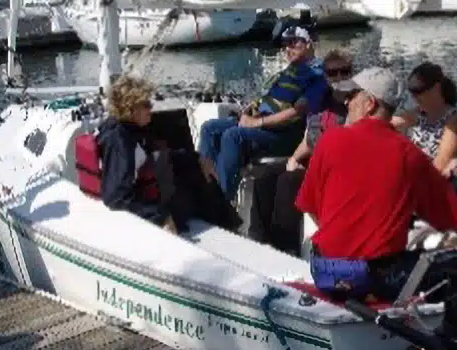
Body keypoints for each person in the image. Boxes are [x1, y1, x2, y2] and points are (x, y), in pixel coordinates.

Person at [296, 67, 457, 302]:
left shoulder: (328, 140)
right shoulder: (409, 155)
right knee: (455, 264)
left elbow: (309, 205)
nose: (346, 102)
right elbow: (453, 217)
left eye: (351, 96)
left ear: (369, 103)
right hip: (378, 278)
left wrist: (345, 245)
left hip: (326, 272)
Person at [198, 26, 328, 202]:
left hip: (287, 134)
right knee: (209, 128)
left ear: (309, 44)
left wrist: (257, 123)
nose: (287, 48)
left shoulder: (317, 74)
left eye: (293, 43)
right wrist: (248, 112)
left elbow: (297, 112)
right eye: (285, 45)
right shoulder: (289, 71)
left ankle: (222, 203)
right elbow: (268, 99)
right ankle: (209, 189)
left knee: (232, 136)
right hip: (265, 125)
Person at [97, 74, 240, 234]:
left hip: (157, 191)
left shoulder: (131, 130)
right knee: (198, 184)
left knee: (195, 168)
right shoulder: (119, 140)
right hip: (151, 204)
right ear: (130, 108)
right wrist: (159, 216)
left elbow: (156, 154)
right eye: (146, 104)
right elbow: (116, 197)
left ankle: (227, 224)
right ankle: (227, 226)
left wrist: (198, 157)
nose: (151, 108)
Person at [247, 50, 355, 255]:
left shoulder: (355, 104)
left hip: (334, 169)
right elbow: (309, 138)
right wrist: (294, 158)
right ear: (325, 75)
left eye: (344, 71)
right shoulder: (320, 100)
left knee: (289, 180)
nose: (339, 77)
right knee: (265, 174)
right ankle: (258, 240)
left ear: (352, 72)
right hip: (313, 161)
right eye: (333, 73)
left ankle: (286, 249)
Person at [393, 62, 457, 175]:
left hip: (439, 180)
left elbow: (440, 165)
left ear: (436, 88)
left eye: (418, 91)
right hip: (417, 176)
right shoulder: (416, 114)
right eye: (411, 91)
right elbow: (382, 124)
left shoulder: (454, 119)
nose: (414, 97)